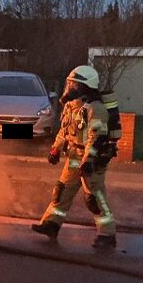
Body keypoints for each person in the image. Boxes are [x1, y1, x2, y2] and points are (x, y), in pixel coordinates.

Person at [31, 64, 117, 248]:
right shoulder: (71, 106)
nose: (70, 88)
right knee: (62, 191)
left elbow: (96, 138)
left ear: (85, 87)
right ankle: (52, 224)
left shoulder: (96, 109)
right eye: (70, 84)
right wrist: (55, 149)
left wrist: (89, 160)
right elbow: (64, 131)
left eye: (74, 84)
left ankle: (107, 235)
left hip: (91, 160)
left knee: (94, 197)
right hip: (73, 157)